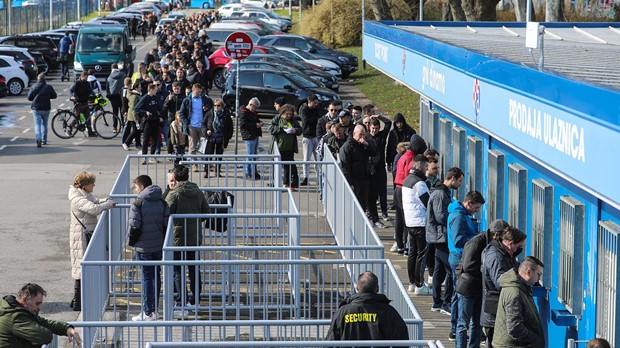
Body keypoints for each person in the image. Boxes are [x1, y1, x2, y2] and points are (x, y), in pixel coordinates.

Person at [455, 219, 512, 348]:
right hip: (467, 288)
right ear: (496, 235)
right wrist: (485, 270)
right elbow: (468, 266)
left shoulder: (492, 245)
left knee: (477, 322)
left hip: (480, 288)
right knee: (463, 323)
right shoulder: (475, 242)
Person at [68, 171, 117, 311]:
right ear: (85, 185)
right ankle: (78, 302)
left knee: (83, 266)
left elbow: (95, 202)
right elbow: (94, 209)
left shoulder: (83, 195)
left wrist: (105, 201)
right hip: (81, 236)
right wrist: (108, 205)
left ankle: (79, 300)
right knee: (80, 268)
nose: (94, 185)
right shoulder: (77, 198)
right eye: (92, 183)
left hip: (85, 233)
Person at [165, 165, 210, 314]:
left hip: (177, 238)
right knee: (194, 269)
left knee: (178, 270)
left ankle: (181, 302)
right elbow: (206, 212)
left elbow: (166, 214)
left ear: (175, 178)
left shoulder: (174, 194)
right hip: (194, 237)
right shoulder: (197, 191)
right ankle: (195, 302)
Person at [128, 175, 169, 321]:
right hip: (158, 245)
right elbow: (165, 225)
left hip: (143, 247)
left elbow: (134, 227)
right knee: (156, 276)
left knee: (147, 278)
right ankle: (155, 310)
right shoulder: (162, 202)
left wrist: (131, 242)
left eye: (136, 187)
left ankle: (148, 312)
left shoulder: (138, 203)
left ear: (142, 187)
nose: (135, 189)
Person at [325, 272, 409, 343]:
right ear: (377, 288)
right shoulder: (389, 312)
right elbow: (402, 340)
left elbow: (331, 340)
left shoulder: (343, 312)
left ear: (357, 288)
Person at [447, 190, 485, 341]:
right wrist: (476, 238)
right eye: (475, 208)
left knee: (458, 294)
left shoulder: (461, 215)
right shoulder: (459, 217)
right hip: (459, 259)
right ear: (468, 203)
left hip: (458, 257)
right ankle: (455, 329)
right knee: (459, 294)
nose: (476, 211)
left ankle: (456, 328)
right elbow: (458, 240)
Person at [481, 226, 528, 347]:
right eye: (519, 246)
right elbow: (501, 282)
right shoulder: (496, 257)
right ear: (511, 243)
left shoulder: (503, 253)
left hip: (496, 309)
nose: (520, 249)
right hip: (495, 312)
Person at [426, 167, 464, 315]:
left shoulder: (442, 192)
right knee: (449, 270)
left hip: (438, 235)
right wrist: (455, 214)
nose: (460, 184)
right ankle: (445, 302)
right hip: (440, 236)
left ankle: (437, 301)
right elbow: (440, 216)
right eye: (459, 180)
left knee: (439, 268)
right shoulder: (441, 194)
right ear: (453, 178)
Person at [0, 283, 82, 347]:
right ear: (24, 300)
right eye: (37, 303)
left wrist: (67, 328)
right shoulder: (15, 317)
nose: (39, 307)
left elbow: (43, 322)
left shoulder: (17, 309)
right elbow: (44, 336)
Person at [492, 256, 545, 348]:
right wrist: (535, 339)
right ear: (528, 272)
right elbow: (514, 327)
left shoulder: (518, 287)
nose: (538, 279)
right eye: (538, 274)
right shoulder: (515, 293)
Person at [394, 135, 428, 256]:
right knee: (407, 219)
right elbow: (412, 174)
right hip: (405, 189)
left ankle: (399, 244)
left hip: (397, 188)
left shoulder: (402, 156)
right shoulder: (412, 160)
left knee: (399, 219)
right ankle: (406, 244)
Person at [402, 154, 431, 294]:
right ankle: (420, 284)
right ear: (419, 165)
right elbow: (427, 203)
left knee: (412, 254)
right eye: (426, 166)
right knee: (421, 254)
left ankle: (412, 282)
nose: (427, 170)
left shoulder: (407, 180)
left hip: (410, 222)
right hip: (420, 223)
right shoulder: (419, 183)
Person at [339, 124, 378, 213]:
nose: (362, 137)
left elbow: (374, 153)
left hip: (365, 179)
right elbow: (345, 167)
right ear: (354, 134)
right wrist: (350, 183)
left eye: (364, 135)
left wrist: (367, 144)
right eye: (360, 134)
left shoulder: (364, 144)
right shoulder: (347, 147)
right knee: (353, 206)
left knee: (363, 206)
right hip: (354, 181)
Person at [179, 83, 214, 169]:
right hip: (192, 126)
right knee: (192, 147)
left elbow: (211, 107)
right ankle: (194, 165)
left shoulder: (204, 98)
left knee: (203, 146)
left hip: (202, 126)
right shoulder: (187, 100)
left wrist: (207, 108)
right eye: (198, 92)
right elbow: (181, 113)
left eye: (200, 92)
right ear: (193, 90)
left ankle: (204, 164)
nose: (199, 94)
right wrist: (186, 122)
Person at [269, 103, 302, 188]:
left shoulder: (293, 120)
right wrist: (280, 128)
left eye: (290, 114)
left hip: (289, 148)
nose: (288, 116)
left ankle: (286, 183)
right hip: (278, 148)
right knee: (276, 166)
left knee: (288, 166)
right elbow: (270, 129)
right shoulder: (277, 119)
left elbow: (300, 130)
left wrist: (295, 130)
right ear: (282, 113)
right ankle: (275, 182)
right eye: (287, 114)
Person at [367, 114, 393, 222]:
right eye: (373, 128)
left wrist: (379, 116)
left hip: (380, 167)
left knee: (382, 192)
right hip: (370, 168)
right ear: (369, 128)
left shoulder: (381, 136)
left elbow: (388, 123)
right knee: (371, 192)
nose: (374, 131)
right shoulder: (366, 137)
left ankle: (384, 212)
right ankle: (371, 213)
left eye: (376, 129)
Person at [201, 98, 233, 178]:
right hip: (211, 137)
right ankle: (206, 171)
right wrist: (206, 131)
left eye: (218, 105)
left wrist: (227, 137)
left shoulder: (226, 115)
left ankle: (217, 171)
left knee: (219, 156)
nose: (216, 107)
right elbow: (203, 124)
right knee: (208, 155)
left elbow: (230, 127)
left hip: (221, 138)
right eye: (215, 105)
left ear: (222, 106)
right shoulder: (210, 113)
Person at [27, 73, 57, 148]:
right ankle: (44, 140)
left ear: (38, 79)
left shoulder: (34, 86)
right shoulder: (48, 87)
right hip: (46, 108)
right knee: (45, 124)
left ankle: (38, 139)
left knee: (37, 124)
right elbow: (54, 96)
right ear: (44, 79)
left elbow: (29, 98)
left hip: (36, 108)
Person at [135, 84, 163, 161]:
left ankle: (152, 155)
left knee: (155, 138)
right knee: (146, 139)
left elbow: (159, 108)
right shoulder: (145, 98)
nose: (156, 91)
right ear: (151, 90)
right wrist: (145, 112)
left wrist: (160, 116)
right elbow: (137, 109)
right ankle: (144, 155)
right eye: (155, 89)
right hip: (148, 121)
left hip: (155, 120)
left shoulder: (156, 98)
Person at [239, 97, 263, 180]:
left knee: (255, 155)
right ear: (250, 105)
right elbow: (243, 125)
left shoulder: (252, 112)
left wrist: (259, 122)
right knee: (249, 155)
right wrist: (256, 125)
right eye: (255, 107)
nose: (255, 109)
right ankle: (248, 172)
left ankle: (254, 171)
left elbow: (255, 120)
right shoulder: (244, 113)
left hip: (254, 135)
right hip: (249, 136)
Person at [299, 94, 320, 186]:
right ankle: (305, 177)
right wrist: (316, 119)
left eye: (317, 103)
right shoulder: (303, 109)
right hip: (307, 136)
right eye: (314, 103)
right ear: (309, 102)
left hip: (316, 136)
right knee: (306, 158)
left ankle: (319, 176)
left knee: (318, 158)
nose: (316, 104)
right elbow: (306, 121)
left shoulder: (317, 109)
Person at [69, 71, 96, 136]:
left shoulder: (87, 83)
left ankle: (90, 132)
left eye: (87, 77)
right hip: (78, 102)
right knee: (77, 117)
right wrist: (71, 96)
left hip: (85, 102)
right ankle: (70, 128)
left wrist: (95, 94)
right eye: (85, 77)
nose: (86, 79)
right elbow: (70, 90)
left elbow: (90, 91)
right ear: (82, 77)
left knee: (88, 118)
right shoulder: (77, 83)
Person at [121, 80, 143, 151]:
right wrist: (136, 120)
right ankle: (126, 143)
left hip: (136, 115)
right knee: (135, 131)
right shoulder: (134, 96)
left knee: (137, 131)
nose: (141, 88)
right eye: (140, 87)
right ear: (136, 88)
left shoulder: (137, 94)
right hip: (133, 116)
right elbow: (133, 108)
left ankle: (138, 144)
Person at [107, 63, 126, 134]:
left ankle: (115, 127)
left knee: (115, 112)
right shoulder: (123, 75)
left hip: (113, 96)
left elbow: (107, 87)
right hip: (121, 96)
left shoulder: (109, 77)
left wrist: (109, 95)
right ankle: (123, 126)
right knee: (123, 111)